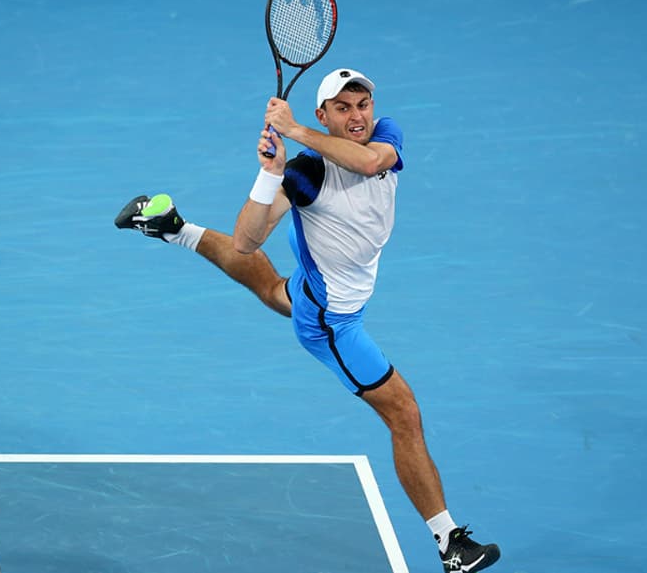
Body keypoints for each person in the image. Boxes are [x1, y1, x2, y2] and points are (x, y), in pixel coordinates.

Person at [114, 68, 500, 573]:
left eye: (361, 104)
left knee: (276, 291)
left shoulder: (386, 136)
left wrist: (294, 130)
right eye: (342, 108)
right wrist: (271, 174)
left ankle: (173, 227)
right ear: (323, 114)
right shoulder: (304, 175)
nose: (357, 115)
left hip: (329, 280)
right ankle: (450, 543)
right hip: (333, 319)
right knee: (403, 414)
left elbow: (367, 163)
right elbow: (248, 241)